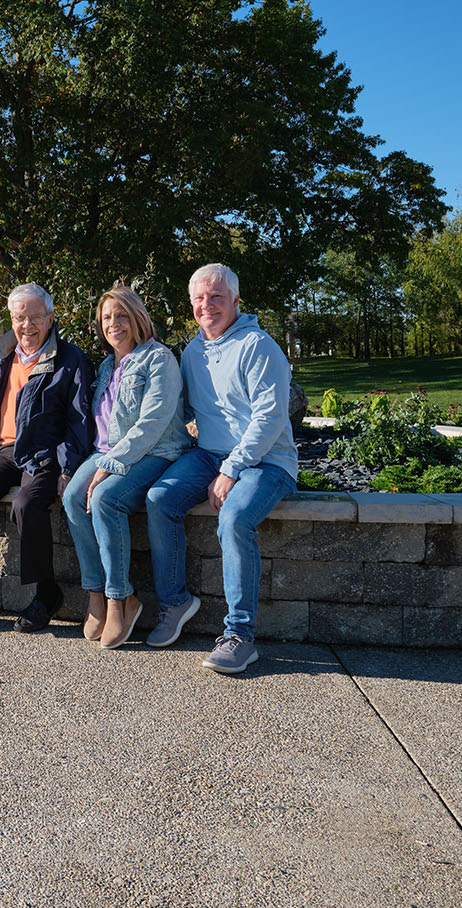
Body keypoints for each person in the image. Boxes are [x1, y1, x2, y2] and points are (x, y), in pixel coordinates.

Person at [143, 264, 298, 674]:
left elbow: (269, 419)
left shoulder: (258, 346)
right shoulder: (192, 352)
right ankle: (175, 602)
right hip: (209, 455)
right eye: (199, 298)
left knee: (233, 518)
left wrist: (232, 468)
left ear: (235, 301)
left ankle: (239, 636)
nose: (206, 305)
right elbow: (187, 410)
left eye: (216, 297)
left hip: (267, 461)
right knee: (159, 498)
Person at [0, 283, 93, 633]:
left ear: (51, 318)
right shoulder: (4, 357)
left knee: (26, 504)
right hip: (5, 451)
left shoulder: (70, 361)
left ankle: (45, 593)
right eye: (20, 317)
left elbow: (79, 421)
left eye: (35, 317)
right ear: (11, 319)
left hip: (44, 453)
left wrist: (67, 468)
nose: (27, 325)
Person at [61, 285, 191, 650]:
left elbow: (153, 422)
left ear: (137, 319)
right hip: (105, 453)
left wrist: (111, 465)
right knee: (72, 497)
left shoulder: (158, 358)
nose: (113, 324)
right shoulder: (106, 366)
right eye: (106, 318)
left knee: (104, 499)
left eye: (121, 316)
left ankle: (122, 598)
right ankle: (96, 593)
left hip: (153, 452)